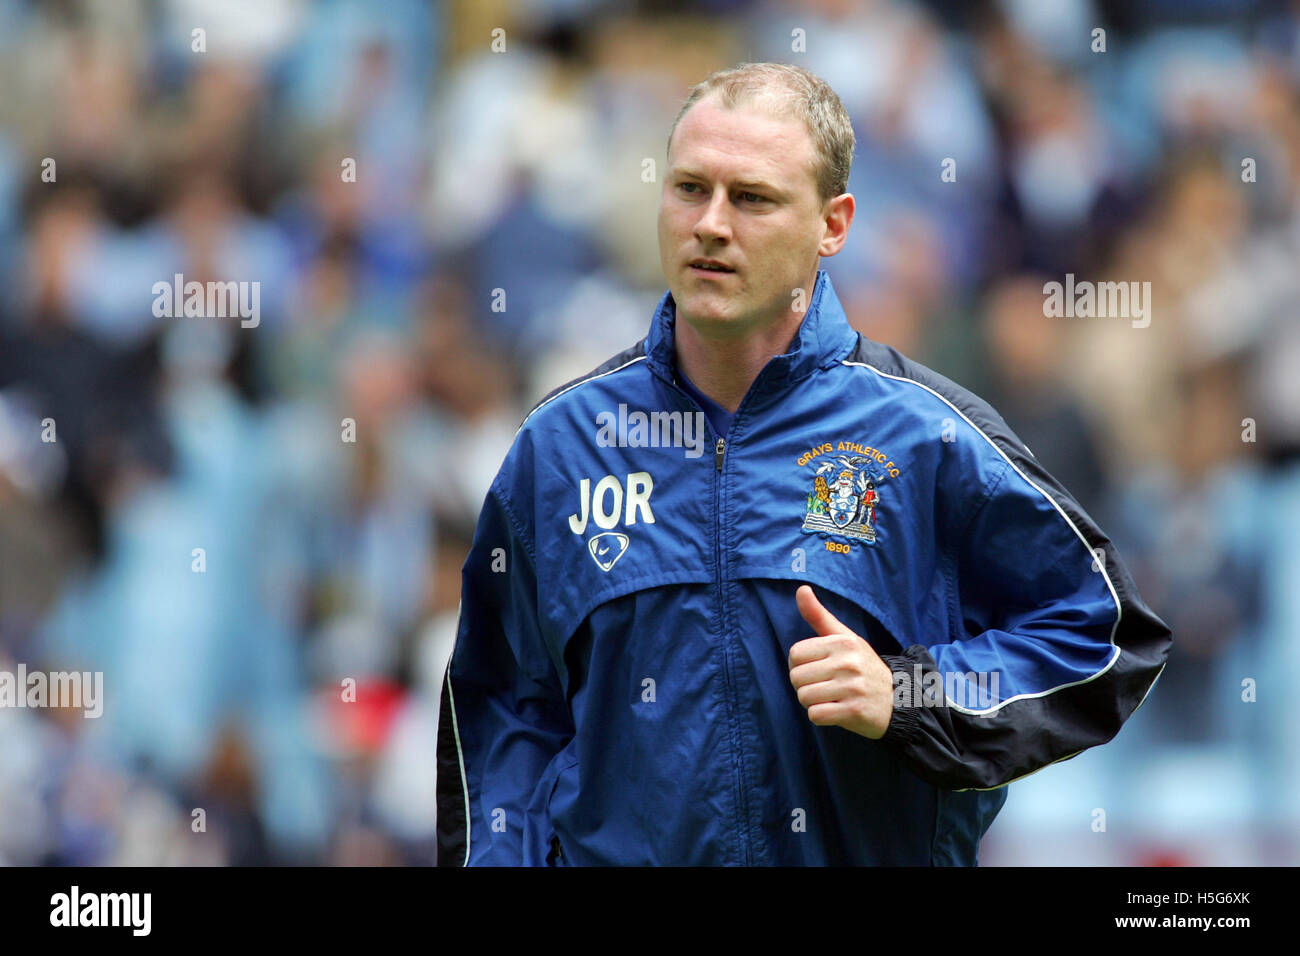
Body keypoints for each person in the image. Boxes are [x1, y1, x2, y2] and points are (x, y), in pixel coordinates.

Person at [435, 62, 1173, 866]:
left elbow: (1105, 639)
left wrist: (911, 694)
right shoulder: (563, 446)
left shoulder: (929, 439)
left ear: (834, 224)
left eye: (751, 198)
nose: (711, 224)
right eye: (689, 189)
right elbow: (501, 714)